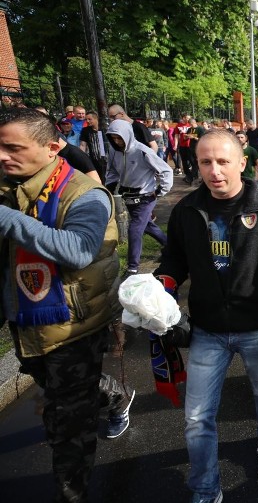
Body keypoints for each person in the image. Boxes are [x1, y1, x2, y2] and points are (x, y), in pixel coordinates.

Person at [154, 129, 258, 503]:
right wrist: (162, 289)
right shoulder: (187, 210)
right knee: (196, 418)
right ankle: (206, 490)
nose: (214, 170)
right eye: (205, 162)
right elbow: (174, 259)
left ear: (242, 163)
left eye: (223, 161)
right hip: (207, 329)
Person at [0, 107, 120, 502]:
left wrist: (7, 219)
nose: (2, 156)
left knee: (67, 428)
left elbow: (80, 250)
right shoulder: (9, 188)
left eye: (12, 148)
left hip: (73, 329)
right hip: (28, 324)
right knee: (60, 392)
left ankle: (73, 493)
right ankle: (110, 393)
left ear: (52, 147)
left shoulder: (84, 194)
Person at [105, 119, 172, 277]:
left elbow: (166, 171)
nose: (117, 141)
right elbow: (112, 170)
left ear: (127, 135)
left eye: (119, 138)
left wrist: (160, 190)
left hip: (146, 196)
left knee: (135, 229)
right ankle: (171, 246)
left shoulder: (143, 151)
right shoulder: (113, 151)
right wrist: (109, 185)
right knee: (146, 225)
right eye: (113, 138)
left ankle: (132, 267)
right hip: (128, 196)